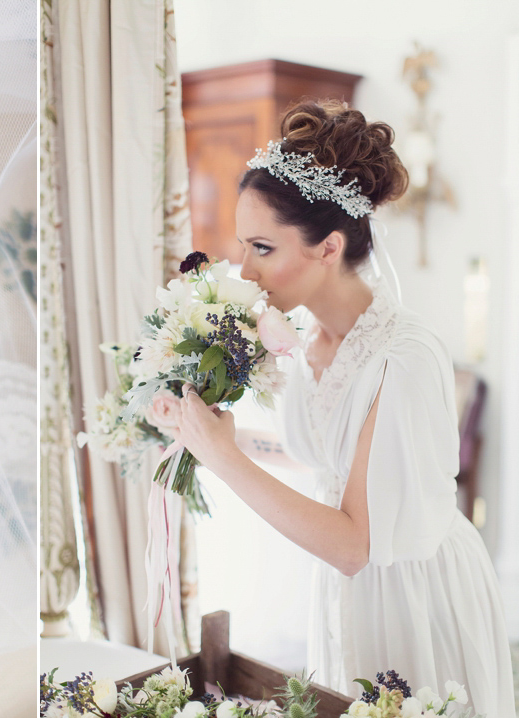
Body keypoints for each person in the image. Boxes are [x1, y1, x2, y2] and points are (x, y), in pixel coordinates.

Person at [171, 100, 515, 714]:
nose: (244, 270)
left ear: (328, 247)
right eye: (242, 246)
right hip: (342, 591)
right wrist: (201, 432)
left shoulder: (401, 360)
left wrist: (222, 458)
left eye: (263, 248)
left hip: (412, 595)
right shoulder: (304, 340)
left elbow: (356, 543)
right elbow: (329, 460)